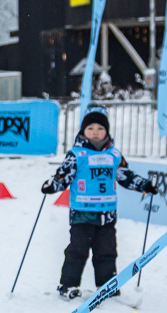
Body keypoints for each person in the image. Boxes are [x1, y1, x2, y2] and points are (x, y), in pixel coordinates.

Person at [41, 106, 157, 299]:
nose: (95, 132)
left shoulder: (114, 155)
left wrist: (144, 185)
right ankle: (68, 285)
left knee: (107, 252)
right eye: (91, 128)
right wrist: (52, 186)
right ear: (83, 131)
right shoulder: (77, 154)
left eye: (100, 128)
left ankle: (107, 286)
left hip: (107, 214)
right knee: (77, 251)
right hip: (82, 213)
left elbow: (125, 176)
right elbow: (64, 176)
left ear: (107, 131)